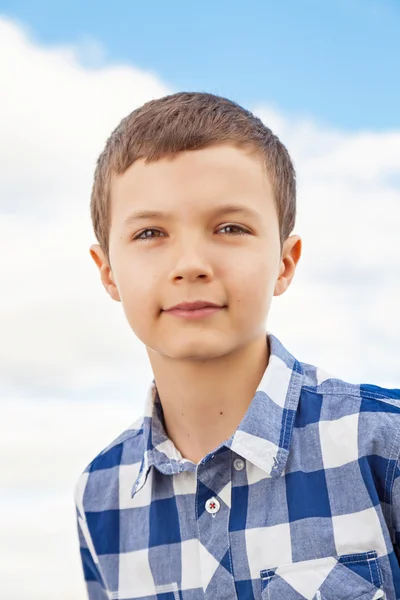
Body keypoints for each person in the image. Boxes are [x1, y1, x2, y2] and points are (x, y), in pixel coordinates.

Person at [74, 91, 400, 600]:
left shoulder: (383, 442)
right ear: (107, 272)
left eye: (230, 227)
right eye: (150, 232)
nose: (190, 263)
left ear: (285, 262)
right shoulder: (100, 497)